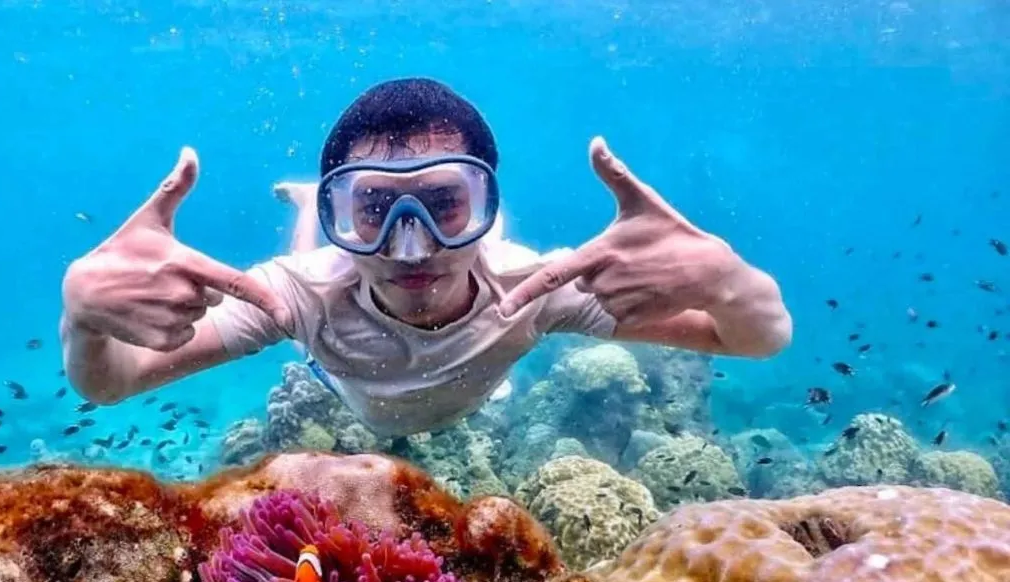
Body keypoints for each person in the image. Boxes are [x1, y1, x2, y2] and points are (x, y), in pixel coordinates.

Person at [60, 77, 792, 438]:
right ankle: (304, 211)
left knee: (328, 264)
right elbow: (113, 384)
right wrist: (83, 318)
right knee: (312, 266)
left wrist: (727, 278)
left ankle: (320, 205)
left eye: (444, 205)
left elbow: (759, 337)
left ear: (488, 212)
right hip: (335, 345)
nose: (410, 247)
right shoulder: (295, 297)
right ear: (342, 216)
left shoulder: (537, 286)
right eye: (371, 210)